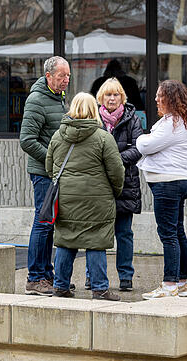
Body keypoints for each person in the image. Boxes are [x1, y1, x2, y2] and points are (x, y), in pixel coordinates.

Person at [47, 92, 124, 301]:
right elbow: (117, 172)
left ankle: (60, 286)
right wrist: (114, 191)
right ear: (93, 110)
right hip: (97, 200)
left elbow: (49, 167)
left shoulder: (57, 136)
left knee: (65, 240)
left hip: (66, 198)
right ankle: (99, 289)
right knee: (96, 241)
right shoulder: (103, 138)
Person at [138, 80, 187, 299]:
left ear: (171, 98)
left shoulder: (171, 123)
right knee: (177, 232)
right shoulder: (183, 121)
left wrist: (139, 138)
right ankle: (182, 283)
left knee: (168, 235)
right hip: (179, 181)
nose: (156, 99)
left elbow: (146, 146)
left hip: (167, 184)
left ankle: (169, 284)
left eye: (160, 96)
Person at [20, 55, 70, 296]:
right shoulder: (37, 100)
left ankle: (47, 275)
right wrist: (52, 161)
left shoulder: (59, 98)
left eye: (68, 76)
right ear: (48, 76)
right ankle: (35, 278)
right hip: (43, 173)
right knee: (42, 224)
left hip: (55, 172)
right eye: (62, 76)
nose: (66, 80)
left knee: (49, 225)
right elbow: (27, 140)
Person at [91, 78, 144, 292]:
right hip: (99, 185)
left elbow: (139, 147)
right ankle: (92, 276)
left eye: (115, 95)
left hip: (125, 184)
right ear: (100, 98)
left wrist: (113, 160)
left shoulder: (133, 118)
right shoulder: (94, 118)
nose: (111, 98)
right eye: (107, 95)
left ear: (122, 97)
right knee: (95, 233)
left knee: (124, 233)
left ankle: (125, 277)